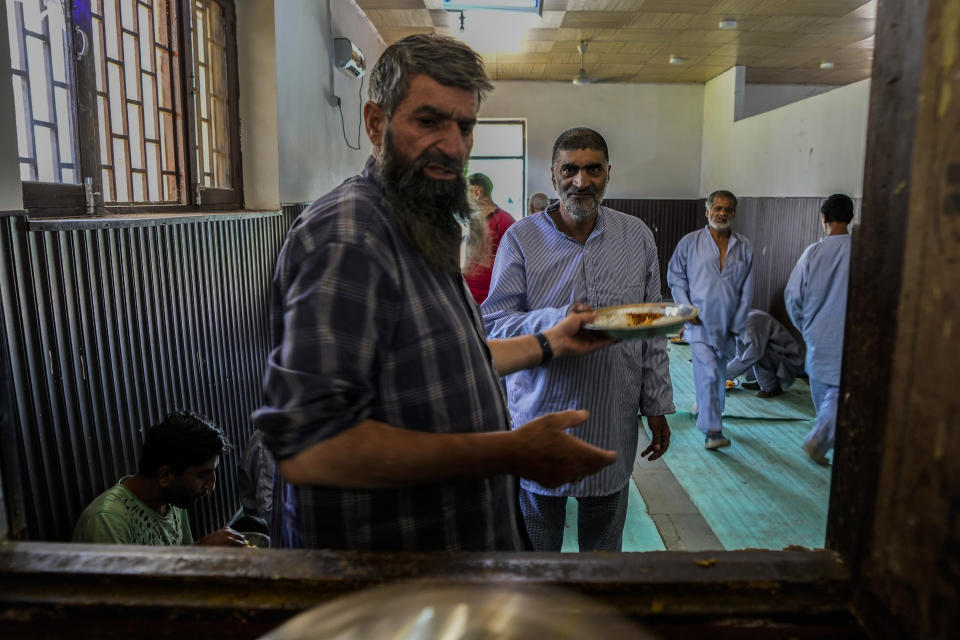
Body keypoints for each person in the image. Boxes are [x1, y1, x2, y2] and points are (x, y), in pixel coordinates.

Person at [251, 34, 617, 552]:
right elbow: (315, 447)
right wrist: (506, 453)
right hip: (385, 576)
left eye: (464, 125)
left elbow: (447, 365)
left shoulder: (419, 221)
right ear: (376, 122)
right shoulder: (350, 235)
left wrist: (550, 342)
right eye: (429, 121)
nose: (452, 144)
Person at [482, 127, 673, 552]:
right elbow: (493, 323)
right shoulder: (522, 238)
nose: (581, 182)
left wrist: (657, 405)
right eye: (570, 169)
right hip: (540, 412)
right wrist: (555, 321)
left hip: (612, 414)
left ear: (609, 174)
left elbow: (651, 328)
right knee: (537, 556)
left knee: (603, 555)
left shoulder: (636, 235)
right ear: (553, 175)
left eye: (593, 170)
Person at [72, 411, 244, 546]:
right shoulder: (107, 521)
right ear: (164, 476)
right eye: (202, 475)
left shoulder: (172, 499)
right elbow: (123, 591)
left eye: (213, 472)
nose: (211, 485)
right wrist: (199, 551)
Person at [667, 190, 754, 450]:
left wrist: (738, 323)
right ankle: (713, 431)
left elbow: (747, 290)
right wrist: (686, 311)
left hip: (728, 324)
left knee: (717, 375)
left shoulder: (744, 247)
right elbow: (676, 278)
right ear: (707, 211)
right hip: (698, 322)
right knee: (710, 373)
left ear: (734, 213)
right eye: (717, 208)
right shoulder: (689, 243)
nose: (723, 213)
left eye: (728, 209)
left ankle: (706, 411)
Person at [785, 193, 853, 464]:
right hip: (848, 335)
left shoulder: (813, 252)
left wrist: (806, 326)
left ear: (823, 217)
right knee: (839, 394)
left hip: (816, 333)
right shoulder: (863, 250)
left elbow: (793, 296)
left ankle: (821, 440)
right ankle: (821, 439)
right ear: (851, 217)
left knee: (825, 393)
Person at [726, 309, 804, 398]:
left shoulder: (749, 321)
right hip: (774, 354)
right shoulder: (740, 320)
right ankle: (761, 382)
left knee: (756, 355)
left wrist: (721, 375)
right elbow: (740, 355)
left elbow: (752, 355)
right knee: (752, 353)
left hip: (788, 359)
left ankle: (772, 388)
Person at [463, 172, 515, 305]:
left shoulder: (505, 221)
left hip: (490, 298)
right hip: (467, 294)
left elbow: (515, 262)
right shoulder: (471, 221)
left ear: (477, 192)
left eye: (466, 193)